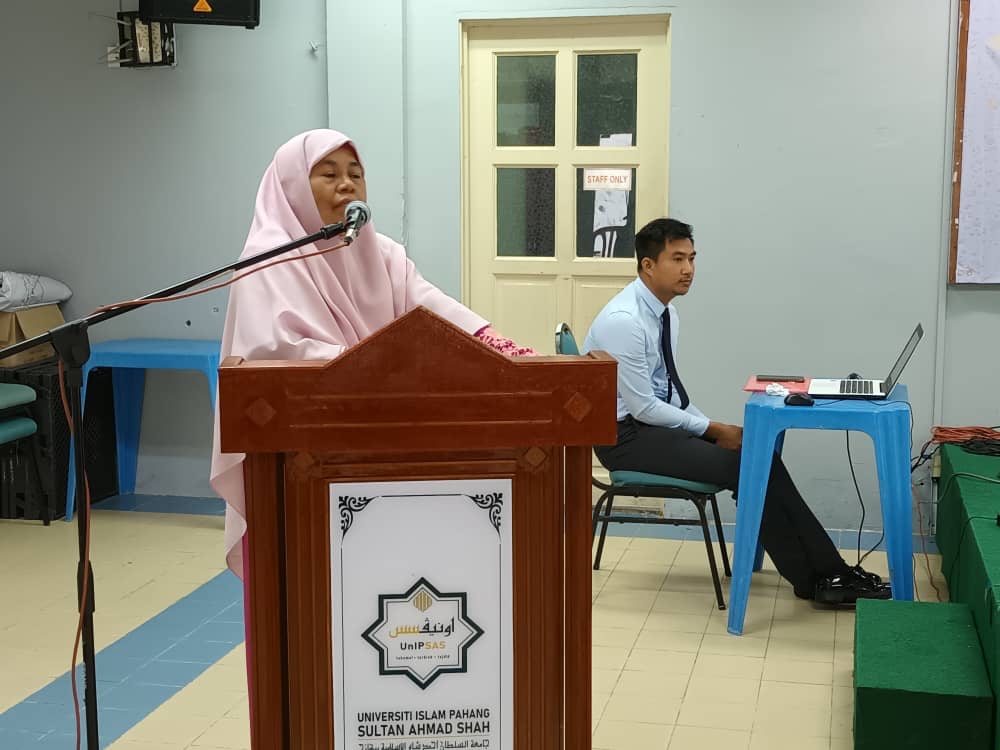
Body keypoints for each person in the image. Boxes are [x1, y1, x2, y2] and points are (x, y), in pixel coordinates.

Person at [210, 128, 533, 579]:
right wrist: (385, 370)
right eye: (329, 174)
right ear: (292, 186)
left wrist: (500, 347)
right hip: (300, 460)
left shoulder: (380, 252)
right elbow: (282, 354)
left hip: (377, 442)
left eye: (356, 174)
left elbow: (431, 307)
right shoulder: (268, 260)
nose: (347, 185)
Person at [582, 217, 891, 605]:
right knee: (748, 466)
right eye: (677, 259)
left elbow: (669, 393)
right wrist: (711, 429)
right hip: (624, 439)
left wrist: (712, 427)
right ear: (648, 265)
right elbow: (644, 407)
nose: (688, 269)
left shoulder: (665, 314)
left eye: (692, 258)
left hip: (650, 429)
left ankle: (823, 575)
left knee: (759, 457)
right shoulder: (625, 322)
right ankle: (822, 577)